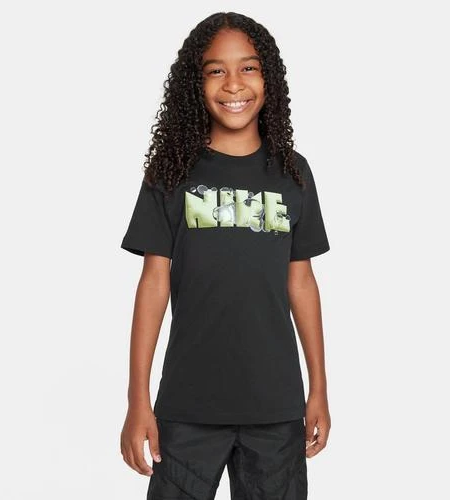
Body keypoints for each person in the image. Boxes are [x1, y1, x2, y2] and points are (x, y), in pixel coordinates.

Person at [120, 11, 332, 499]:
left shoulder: (292, 173)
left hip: (276, 408)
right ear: (195, 84)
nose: (233, 83)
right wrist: (138, 400)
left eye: (248, 68)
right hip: (187, 407)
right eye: (216, 70)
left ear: (268, 78)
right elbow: (153, 283)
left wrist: (318, 387)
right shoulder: (172, 170)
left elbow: (301, 282)